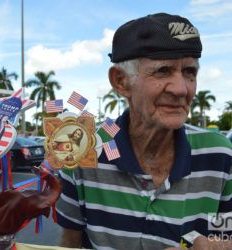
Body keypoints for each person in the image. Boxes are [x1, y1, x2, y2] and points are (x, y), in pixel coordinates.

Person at [56, 13, 232, 249]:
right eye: (162, 71)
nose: (181, 89)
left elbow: (225, 236)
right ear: (120, 81)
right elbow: (69, 243)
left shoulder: (219, 155)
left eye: (189, 72)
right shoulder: (83, 150)